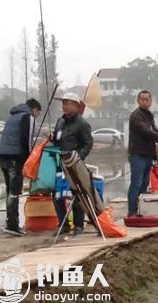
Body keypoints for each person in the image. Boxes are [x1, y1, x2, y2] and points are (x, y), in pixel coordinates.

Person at [0, 98, 42, 236]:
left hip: (3, 156)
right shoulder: (28, 116)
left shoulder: (13, 115)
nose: (37, 116)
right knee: (15, 191)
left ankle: (10, 222)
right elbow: (26, 140)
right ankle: (13, 225)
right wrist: (28, 159)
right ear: (34, 109)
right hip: (15, 159)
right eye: (38, 113)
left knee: (10, 191)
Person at [52, 93, 93, 235]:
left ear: (76, 106)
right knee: (57, 194)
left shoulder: (82, 123)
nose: (65, 106)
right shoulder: (60, 122)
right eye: (63, 103)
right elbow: (57, 140)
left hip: (74, 164)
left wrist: (78, 158)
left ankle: (78, 225)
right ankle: (63, 225)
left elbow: (88, 143)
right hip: (60, 162)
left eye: (68, 103)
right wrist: (53, 138)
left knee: (77, 193)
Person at [127, 90, 158, 217]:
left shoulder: (149, 116)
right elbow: (147, 132)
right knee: (136, 183)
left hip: (148, 155)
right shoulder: (136, 116)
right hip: (137, 154)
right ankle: (132, 211)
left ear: (151, 101)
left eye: (147, 99)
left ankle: (142, 209)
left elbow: (155, 130)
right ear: (138, 101)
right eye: (142, 100)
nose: (145, 102)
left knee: (145, 183)